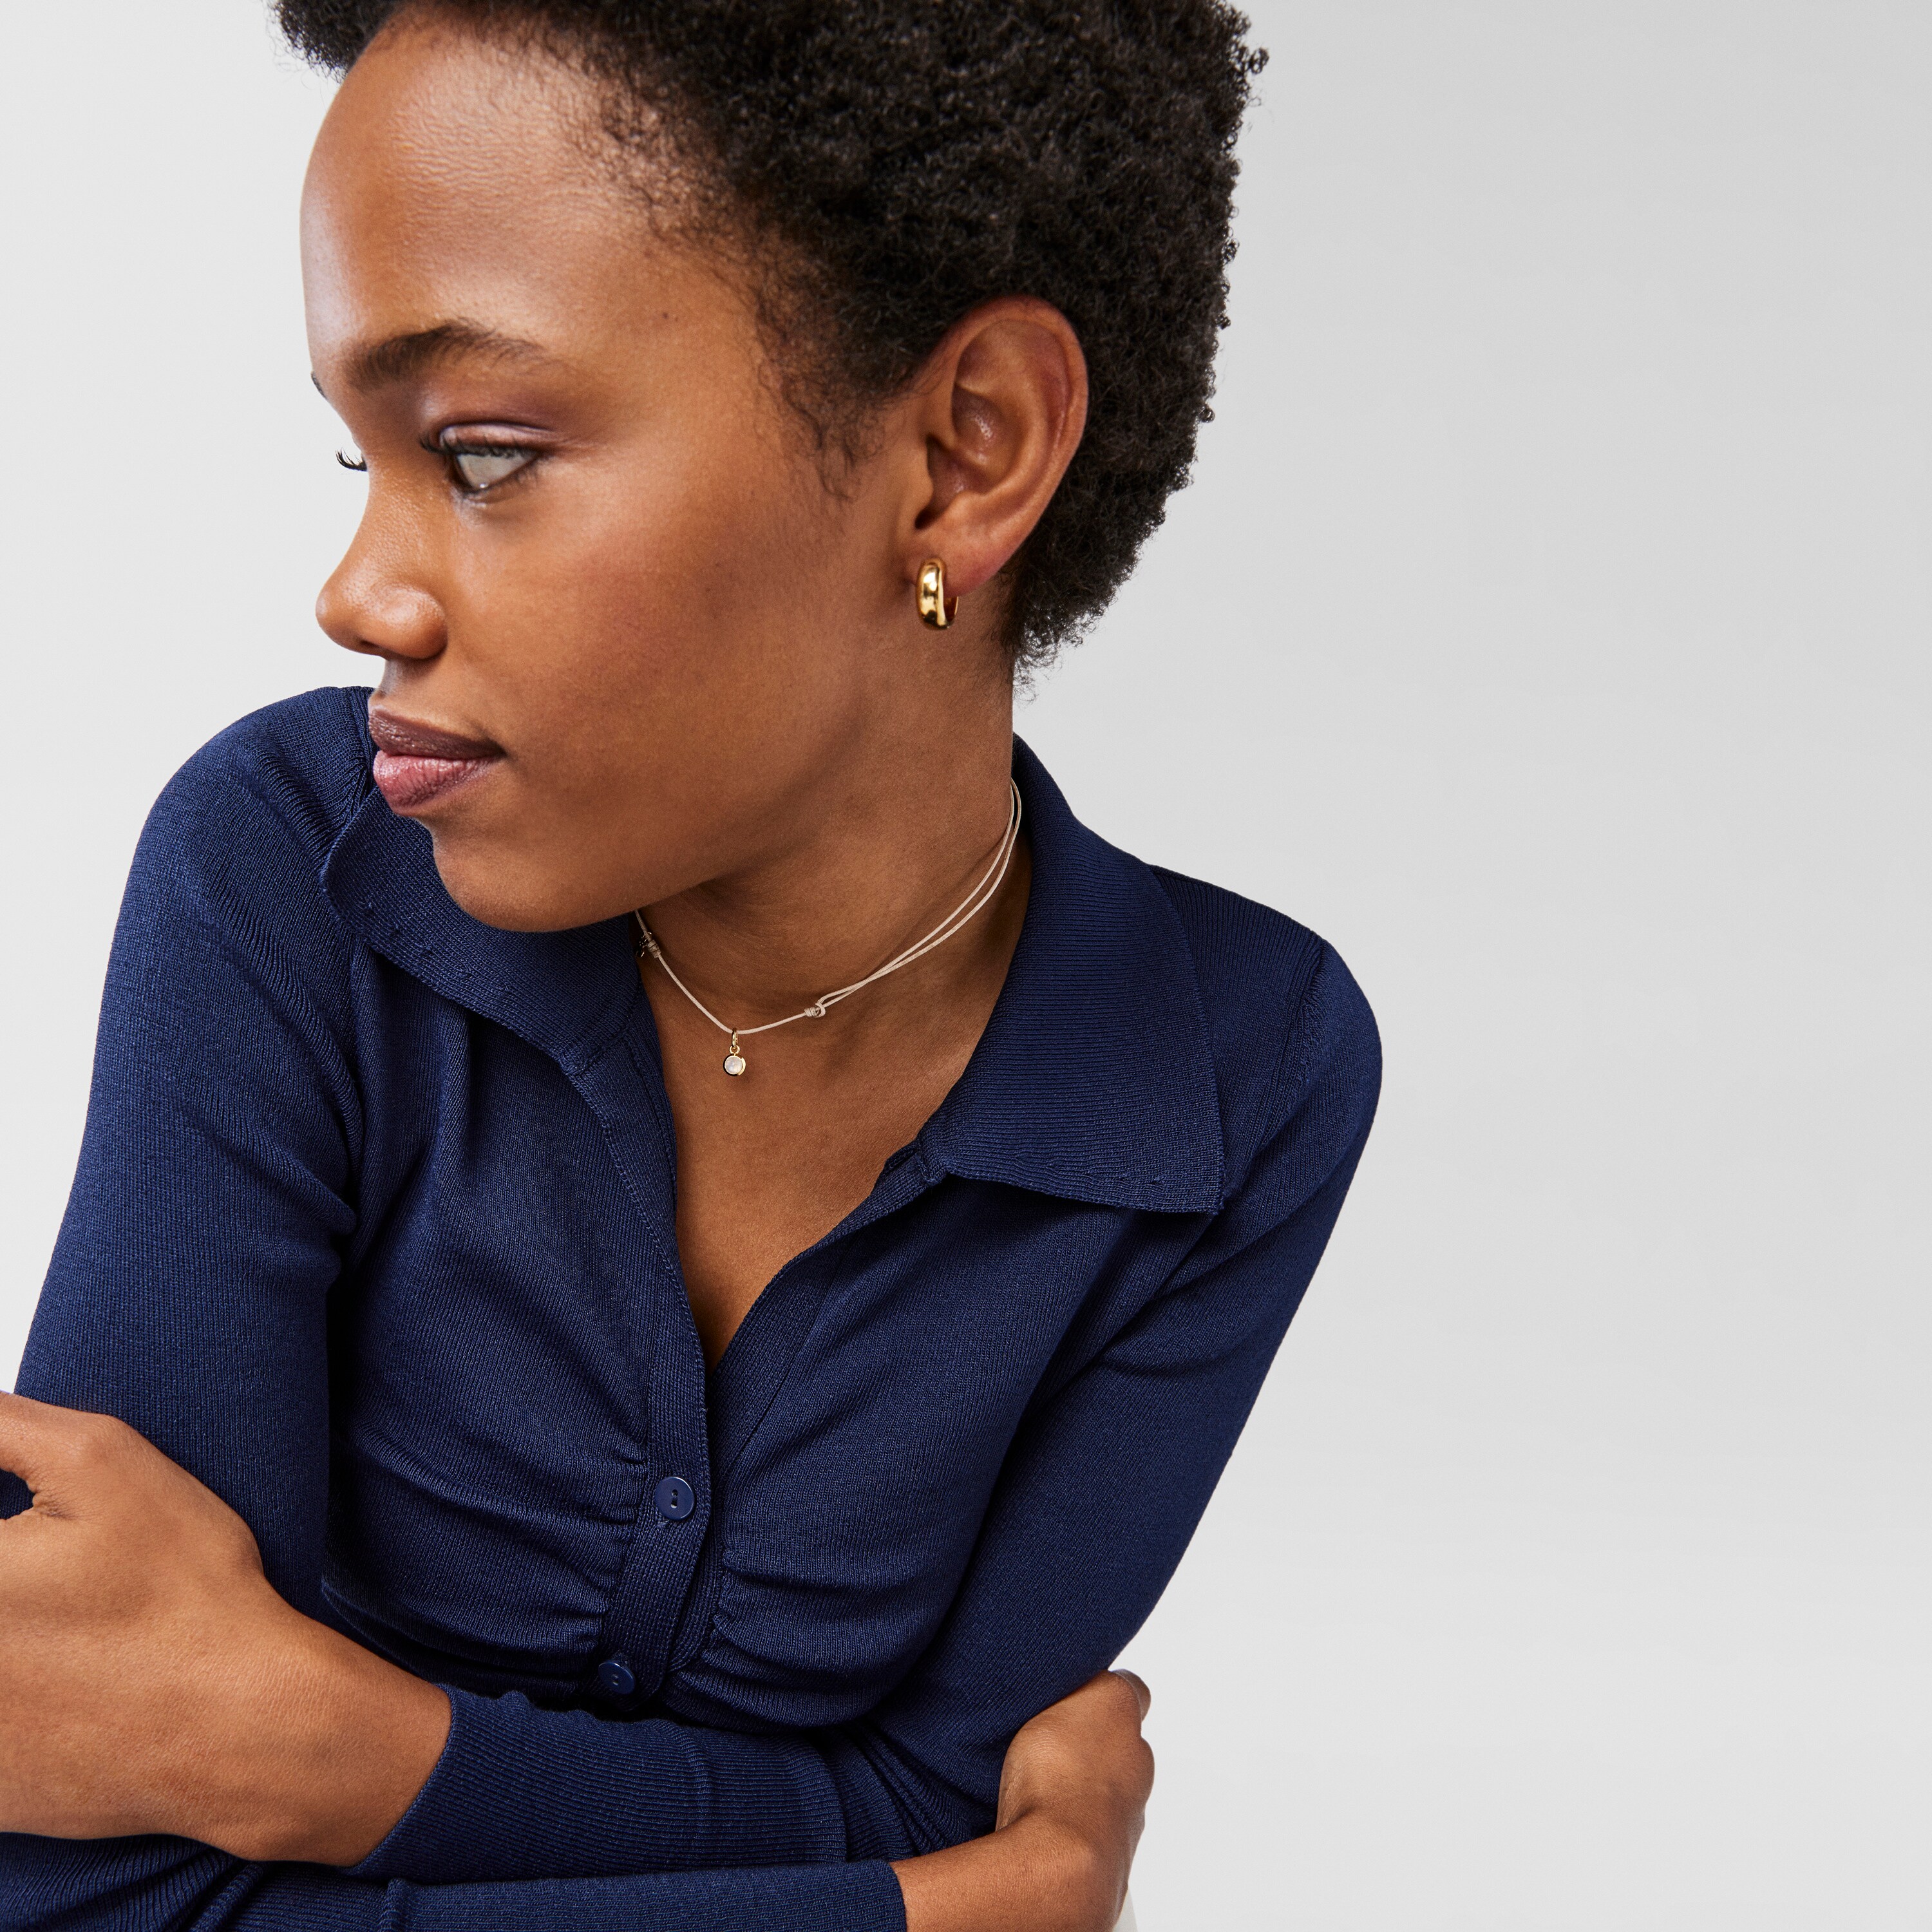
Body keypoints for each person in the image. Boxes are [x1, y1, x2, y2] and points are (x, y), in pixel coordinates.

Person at [0, 4, 1379, 1927]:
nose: (359, 592)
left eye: (480, 457)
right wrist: (919, 1910)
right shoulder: (293, 877)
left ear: (963, 452)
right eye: (360, 460)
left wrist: (338, 1755)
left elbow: (928, 1784)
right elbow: (91, 1883)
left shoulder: (1231, 1075)